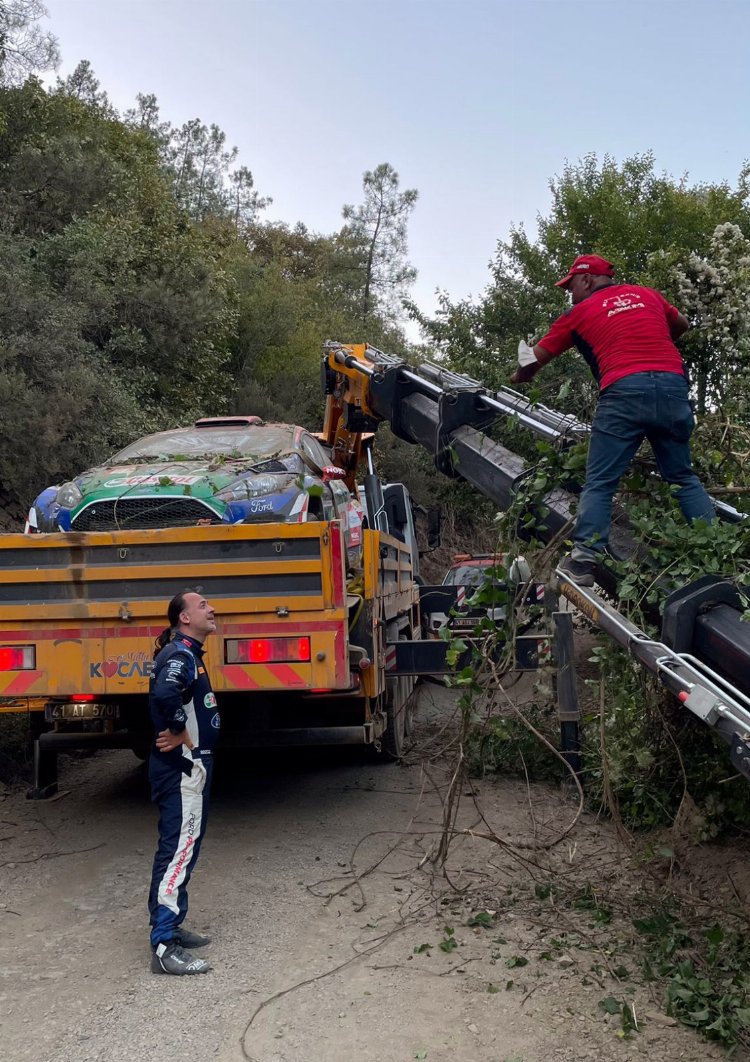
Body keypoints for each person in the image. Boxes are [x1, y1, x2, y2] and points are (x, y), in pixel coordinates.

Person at [511, 254, 714, 586]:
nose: (569, 293)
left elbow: (534, 361)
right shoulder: (648, 295)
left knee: (601, 481)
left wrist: (518, 376)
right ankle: (716, 555)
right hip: (673, 387)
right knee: (682, 477)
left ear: (587, 280)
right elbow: (682, 325)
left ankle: (583, 562)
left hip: (624, 392)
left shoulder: (577, 313)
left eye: (571, 285)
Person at [147, 589, 220, 975]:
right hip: (182, 771)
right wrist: (178, 729)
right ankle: (164, 944)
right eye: (203, 605)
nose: (212, 609)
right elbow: (163, 692)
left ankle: (170, 923)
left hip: (190, 770)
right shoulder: (180, 654)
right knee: (177, 852)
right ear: (184, 618)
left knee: (182, 850)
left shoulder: (189, 653)